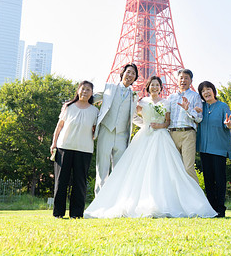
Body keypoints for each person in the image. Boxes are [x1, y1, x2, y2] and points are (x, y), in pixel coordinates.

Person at [84, 76, 217, 218]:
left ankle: (182, 201)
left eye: (157, 85)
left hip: (161, 137)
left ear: (161, 88)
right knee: (137, 169)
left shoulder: (167, 102)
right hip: (144, 137)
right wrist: (145, 125)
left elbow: (167, 122)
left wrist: (158, 126)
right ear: (148, 87)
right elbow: (133, 115)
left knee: (169, 169)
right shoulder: (141, 101)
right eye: (152, 85)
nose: (155, 87)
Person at [50, 81, 99, 218]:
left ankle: (76, 214)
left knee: (80, 183)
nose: (85, 92)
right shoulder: (68, 107)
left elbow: (95, 130)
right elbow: (59, 126)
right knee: (61, 182)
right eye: (83, 89)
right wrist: (54, 143)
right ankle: (58, 213)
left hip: (84, 150)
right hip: (64, 147)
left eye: (88, 90)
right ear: (78, 91)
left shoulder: (95, 111)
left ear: (91, 93)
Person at [93, 63, 139, 194]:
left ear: (135, 78)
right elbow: (93, 98)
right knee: (102, 168)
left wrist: (148, 125)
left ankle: (114, 201)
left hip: (122, 135)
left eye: (133, 74)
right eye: (128, 72)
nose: (130, 75)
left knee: (119, 171)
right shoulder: (110, 87)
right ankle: (99, 201)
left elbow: (133, 116)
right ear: (122, 73)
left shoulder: (134, 96)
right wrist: (74, 103)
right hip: (106, 130)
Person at [196, 81, 231, 218]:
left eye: (208, 89)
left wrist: (229, 124)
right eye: (203, 91)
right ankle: (211, 208)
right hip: (204, 149)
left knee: (219, 179)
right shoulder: (201, 107)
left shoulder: (222, 106)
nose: (206, 92)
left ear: (213, 91)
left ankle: (220, 208)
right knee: (208, 180)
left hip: (219, 148)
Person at [167, 69, 203, 183]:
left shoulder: (195, 96)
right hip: (171, 134)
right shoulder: (170, 97)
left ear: (191, 81)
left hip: (188, 133)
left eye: (186, 78)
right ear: (177, 80)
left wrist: (188, 110)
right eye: (181, 78)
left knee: (188, 168)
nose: (183, 80)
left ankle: (196, 198)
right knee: (173, 168)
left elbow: (199, 118)